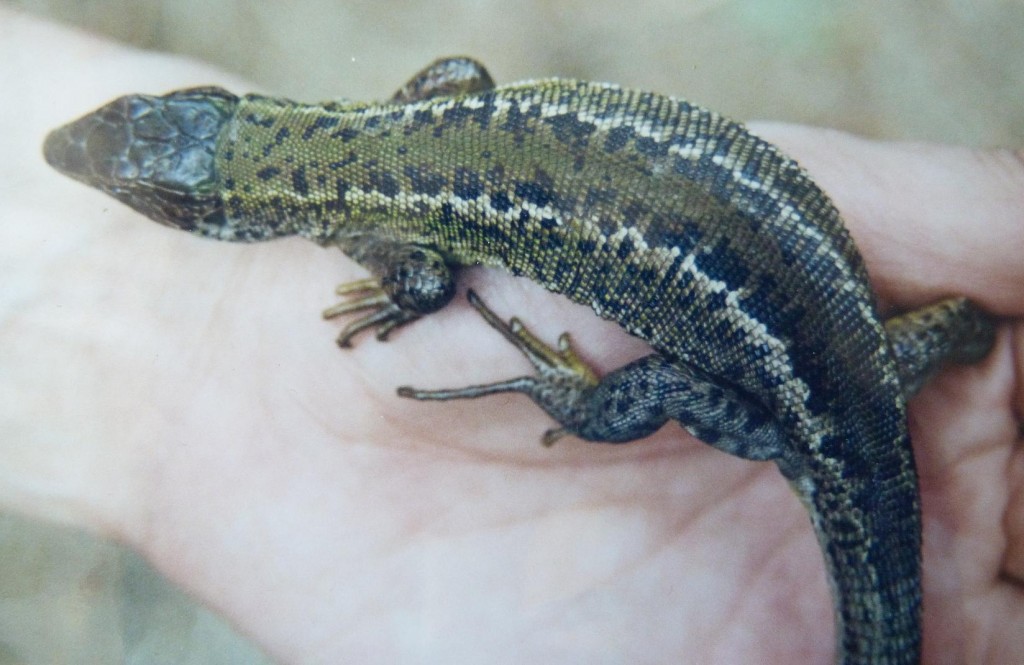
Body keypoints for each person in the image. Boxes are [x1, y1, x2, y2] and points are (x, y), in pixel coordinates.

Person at [3, 10, 1022, 663]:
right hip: (866, 361)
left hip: (797, 406)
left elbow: (428, 277)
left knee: (657, 388)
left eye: (139, 191)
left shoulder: (375, 226)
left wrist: (562, 392)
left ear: (221, 216)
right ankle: (973, 339)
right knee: (924, 353)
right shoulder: (395, 127)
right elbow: (460, 69)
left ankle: (583, 398)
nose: (100, 171)